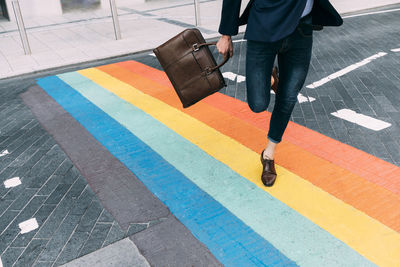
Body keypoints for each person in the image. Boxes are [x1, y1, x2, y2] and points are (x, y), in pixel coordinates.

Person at [216, 0, 342, 186]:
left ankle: (269, 155)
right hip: (264, 27)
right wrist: (226, 34)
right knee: (258, 104)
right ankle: (272, 79)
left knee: (288, 97)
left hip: (302, 29)